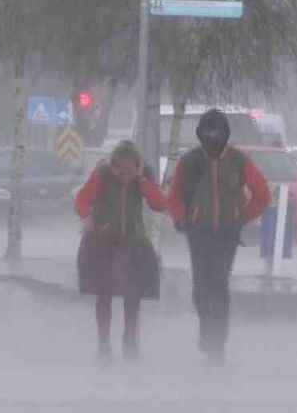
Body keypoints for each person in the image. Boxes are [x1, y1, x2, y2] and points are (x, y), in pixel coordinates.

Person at [167, 109, 271, 365]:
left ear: (225, 135)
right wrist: (182, 218)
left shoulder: (239, 161)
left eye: (218, 132)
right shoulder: (190, 161)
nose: (213, 137)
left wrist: (242, 216)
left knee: (219, 286)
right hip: (199, 232)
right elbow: (175, 194)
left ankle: (217, 343)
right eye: (208, 132)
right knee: (201, 289)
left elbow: (262, 194)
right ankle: (207, 331)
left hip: (226, 233)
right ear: (201, 134)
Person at [75, 141, 166, 362]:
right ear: (114, 165)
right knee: (103, 295)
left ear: (136, 165)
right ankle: (104, 343)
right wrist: (89, 219)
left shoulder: (142, 179)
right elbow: (82, 200)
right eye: (120, 169)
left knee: (132, 296)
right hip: (103, 243)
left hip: (134, 244)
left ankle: (130, 340)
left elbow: (159, 203)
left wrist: (142, 181)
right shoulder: (102, 176)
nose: (125, 174)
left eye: (130, 169)